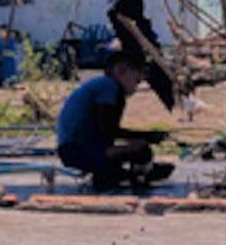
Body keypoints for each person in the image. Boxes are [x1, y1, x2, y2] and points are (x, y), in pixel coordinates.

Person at [56, 51, 172, 192]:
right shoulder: (108, 86)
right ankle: (138, 174)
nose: (136, 88)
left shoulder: (102, 86)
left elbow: (106, 131)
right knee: (140, 151)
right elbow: (107, 130)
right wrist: (146, 136)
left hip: (76, 149)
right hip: (78, 151)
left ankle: (121, 174)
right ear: (121, 70)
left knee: (133, 151)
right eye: (136, 81)